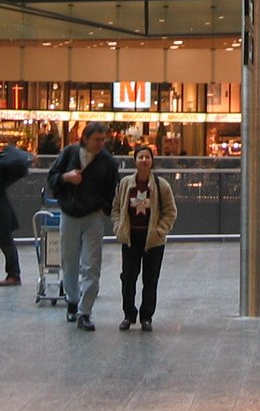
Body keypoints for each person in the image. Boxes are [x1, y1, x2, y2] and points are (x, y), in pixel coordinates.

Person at [48, 122, 118, 331]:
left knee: (91, 265)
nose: (100, 143)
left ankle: (84, 311)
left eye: (102, 139)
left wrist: (103, 209)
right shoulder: (69, 153)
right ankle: (72, 300)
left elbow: (113, 189)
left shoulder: (107, 161)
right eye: (96, 139)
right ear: (85, 138)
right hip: (69, 214)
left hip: (93, 216)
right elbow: (52, 176)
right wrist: (66, 177)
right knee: (69, 261)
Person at [112, 145, 177, 332]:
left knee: (150, 279)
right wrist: (119, 228)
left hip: (153, 241)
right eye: (140, 157)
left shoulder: (161, 185)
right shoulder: (125, 184)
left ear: (152, 160)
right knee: (128, 277)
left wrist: (160, 230)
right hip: (131, 238)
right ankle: (128, 315)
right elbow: (116, 208)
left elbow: (170, 211)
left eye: (147, 157)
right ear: (135, 160)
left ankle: (146, 316)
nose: (144, 161)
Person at [0, 142, 32, 286]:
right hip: (3, 211)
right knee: (6, 242)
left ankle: (14, 274)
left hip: (1, 213)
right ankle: (13, 274)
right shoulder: (5, 165)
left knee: (6, 242)